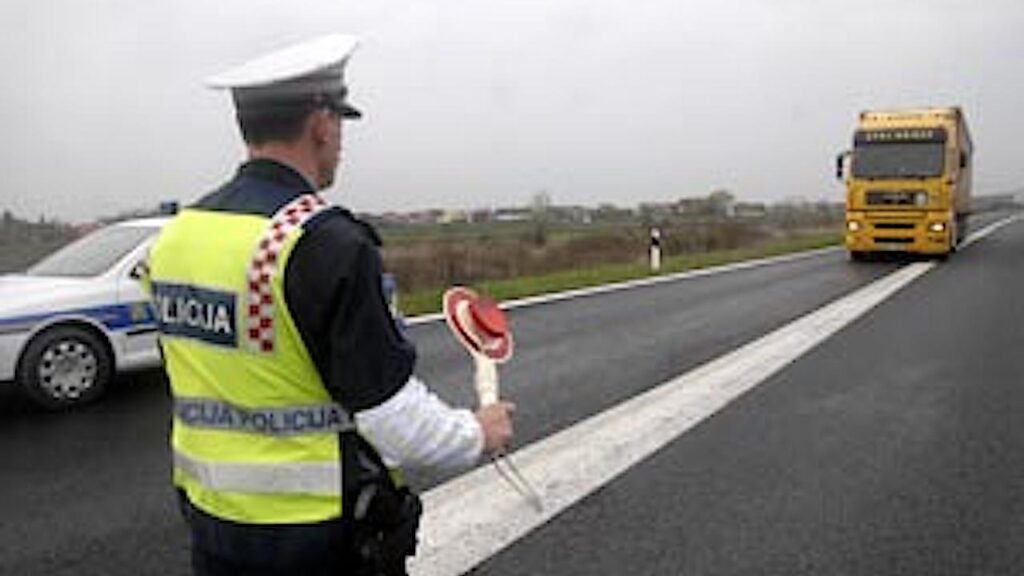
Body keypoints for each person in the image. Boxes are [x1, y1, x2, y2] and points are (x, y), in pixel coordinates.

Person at [147, 34, 516, 576]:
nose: (340, 142)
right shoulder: (323, 242)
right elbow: (392, 416)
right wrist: (477, 433)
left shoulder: (176, 236)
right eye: (340, 124)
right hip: (316, 538)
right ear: (321, 124)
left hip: (212, 524)